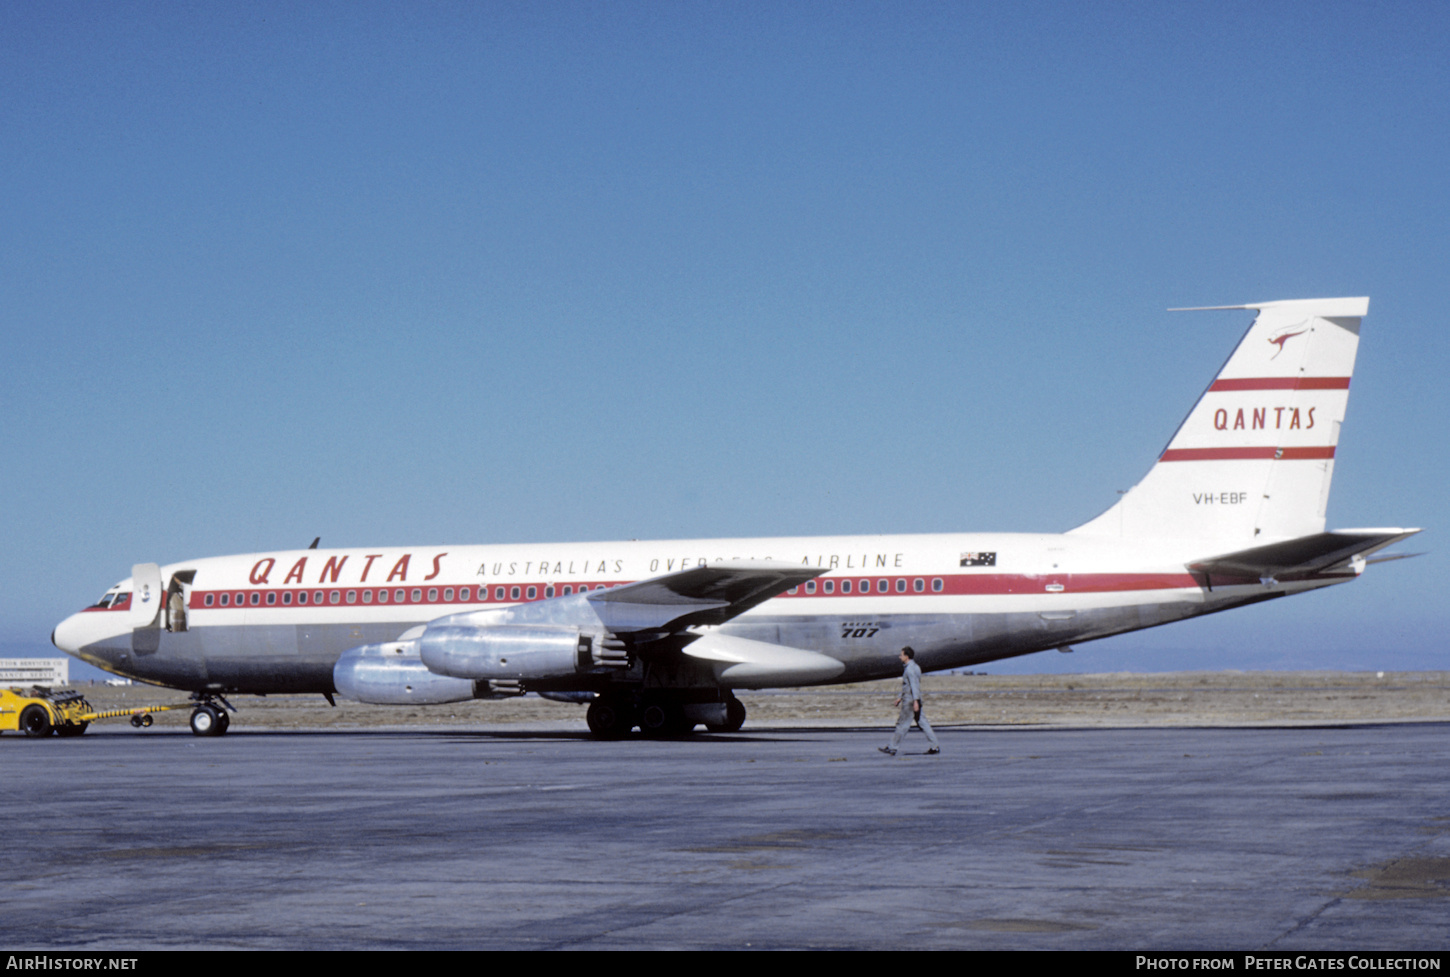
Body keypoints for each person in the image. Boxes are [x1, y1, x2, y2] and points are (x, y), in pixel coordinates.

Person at [879, 647, 940, 756]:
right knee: (923, 723)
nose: (899, 657)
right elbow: (907, 686)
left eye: (901, 655)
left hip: (910, 701)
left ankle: (892, 747)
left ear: (906, 656)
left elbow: (914, 686)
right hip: (914, 699)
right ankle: (934, 746)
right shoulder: (915, 667)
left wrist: (915, 701)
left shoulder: (910, 669)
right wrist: (899, 697)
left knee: (902, 724)